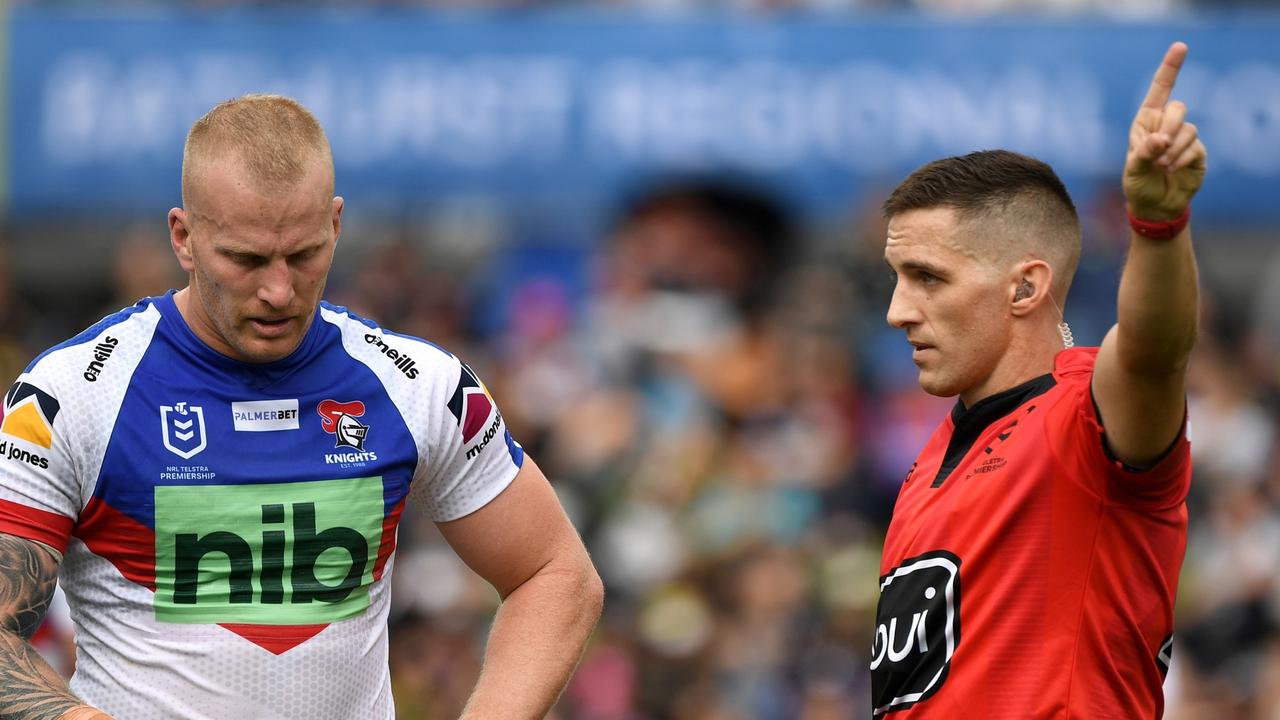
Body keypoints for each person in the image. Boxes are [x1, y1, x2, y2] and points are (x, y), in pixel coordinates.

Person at [0, 95, 603, 719]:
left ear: (336, 225)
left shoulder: (415, 384)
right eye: (246, 258)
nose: (278, 290)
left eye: (305, 253)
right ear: (183, 237)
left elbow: (554, 574)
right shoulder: (74, 394)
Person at [872, 42, 1204, 717]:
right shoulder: (929, 464)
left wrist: (1158, 226)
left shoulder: (1084, 414)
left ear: (1026, 287)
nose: (897, 311)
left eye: (929, 278)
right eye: (898, 278)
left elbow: (1153, 351)